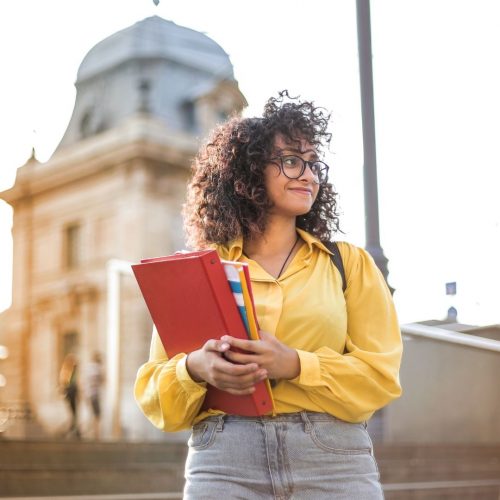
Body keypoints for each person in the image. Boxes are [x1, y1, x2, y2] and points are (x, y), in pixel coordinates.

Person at [134, 91, 403, 499]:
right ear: (248, 171)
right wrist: (195, 368)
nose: (309, 174)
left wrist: (295, 364)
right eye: (292, 160)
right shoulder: (200, 272)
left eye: (314, 164)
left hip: (332, 459)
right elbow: (156, 394)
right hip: (224, 458)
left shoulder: (349, 264)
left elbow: (380, 377)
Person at [59, 353, 80, 439]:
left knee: (74, 412)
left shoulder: (72, 370)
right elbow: (65, 382)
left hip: (72, 392)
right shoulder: (67, 370)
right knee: (73, 412)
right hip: (71, 392)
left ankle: (73, 428)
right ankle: (73, 428)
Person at [85, 351, 104, 440]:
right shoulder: (96, 368)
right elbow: (100, 380)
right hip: (94, 394)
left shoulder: (89, 367)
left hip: (89, 393)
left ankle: (94, 433)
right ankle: (96, 434)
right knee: (97, 415)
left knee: (93, 414)